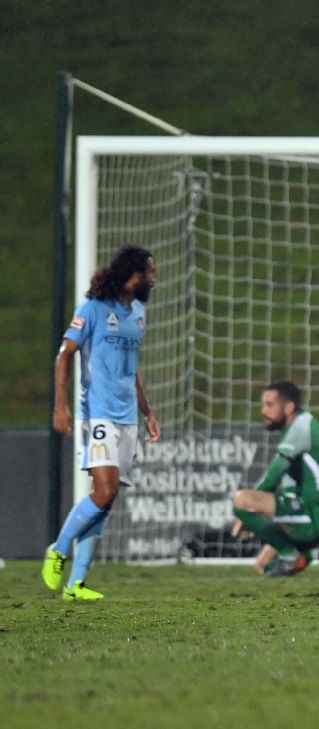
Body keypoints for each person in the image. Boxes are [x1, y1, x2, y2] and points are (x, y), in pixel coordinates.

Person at [45, 245, 161, 601]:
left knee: (106, 500)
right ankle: (59, 550)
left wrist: (147, 412)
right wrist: (60, 407)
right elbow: (65, 355)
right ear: (134, 275)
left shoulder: (138, 313)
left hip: (126, 417)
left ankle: (76, 584)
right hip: (97, 412)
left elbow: (133, 369)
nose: (153, 279)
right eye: (150, 272)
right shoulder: (93, 310)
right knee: (105, 491)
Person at [230, 381, 319, 577]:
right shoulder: (307, 426)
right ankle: (316, 550)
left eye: (270, 405)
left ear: (289, 407)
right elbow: (289, 485)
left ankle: (295, 555)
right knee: (263, 564)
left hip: (316, 516)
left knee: (242, 500)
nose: (263, 410)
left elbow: (271, 479)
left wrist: (247, 514)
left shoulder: (299, 430)